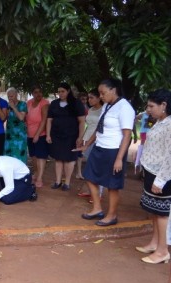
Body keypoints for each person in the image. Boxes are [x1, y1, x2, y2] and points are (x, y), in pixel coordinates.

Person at [78, 78, 135, 226]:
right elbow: (99, 128)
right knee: (89, 176)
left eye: (103, 93)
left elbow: (127, 135)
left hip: (113, 151)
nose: (101, 96)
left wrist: (119, 158)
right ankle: (97, 208)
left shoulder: (124, 107)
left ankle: (111, 216)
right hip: (99, 147)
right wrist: (87, 145)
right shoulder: (108, 106)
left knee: (112, 185)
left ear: (113, 90)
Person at [137, 89, 171, 283]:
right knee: (152, 210)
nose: (148, 110)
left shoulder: (170, 125)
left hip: (162, 175)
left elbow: (170, 156)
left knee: (161, 213)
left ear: (164, 105)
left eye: (151, 106)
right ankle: (154, 242)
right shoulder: (160, 122)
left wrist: (161, 179)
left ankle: (162, 250)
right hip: (152, 170)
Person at [46, 82, 85, 191]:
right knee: (58, 159)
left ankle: (67, 183)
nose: (60, 93)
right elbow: (49, 120)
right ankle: (58, 181)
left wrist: (80, 137)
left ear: (68, 91)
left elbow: (82, 121)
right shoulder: (54, 104)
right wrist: (48, 134)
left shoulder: (76, 103)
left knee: (69, 159)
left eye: (62, 91)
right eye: (59, 92)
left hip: (72, 136)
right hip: (56, 135)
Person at [77, 89, 104, 198]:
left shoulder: (104, 110)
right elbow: (87, 125)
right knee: (89, 166)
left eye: (92, 97)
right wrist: (81, 138)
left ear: (99, 98)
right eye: (88, 97)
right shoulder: (90, 109)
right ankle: (90, 191)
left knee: (97, 167)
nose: (89, 100)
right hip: (87, 138)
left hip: (98, 140)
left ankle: (99, 193)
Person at [25, 85, 50, 188]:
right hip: (29, 134)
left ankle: (39, 177)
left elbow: (44, 120)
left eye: (40, 92)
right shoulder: (29, 103)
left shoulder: (44, 103)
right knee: (33, 156)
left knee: (41, 157)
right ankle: (35, 173)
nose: (38, 94)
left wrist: (37, 135)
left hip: (41, 134)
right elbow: (26, 118)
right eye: (35, 92)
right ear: (32, 93)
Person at [4, 87, 27, 163]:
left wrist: (13, 107)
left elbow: (21, 118)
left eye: (12, 96)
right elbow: (4, 118)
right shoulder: (7, 106)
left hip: (20, 135)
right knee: (9, 156)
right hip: (9, 135)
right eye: (8, 96)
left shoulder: (23, 104)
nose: (10, 98)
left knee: (20, 155)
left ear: (16, 95)